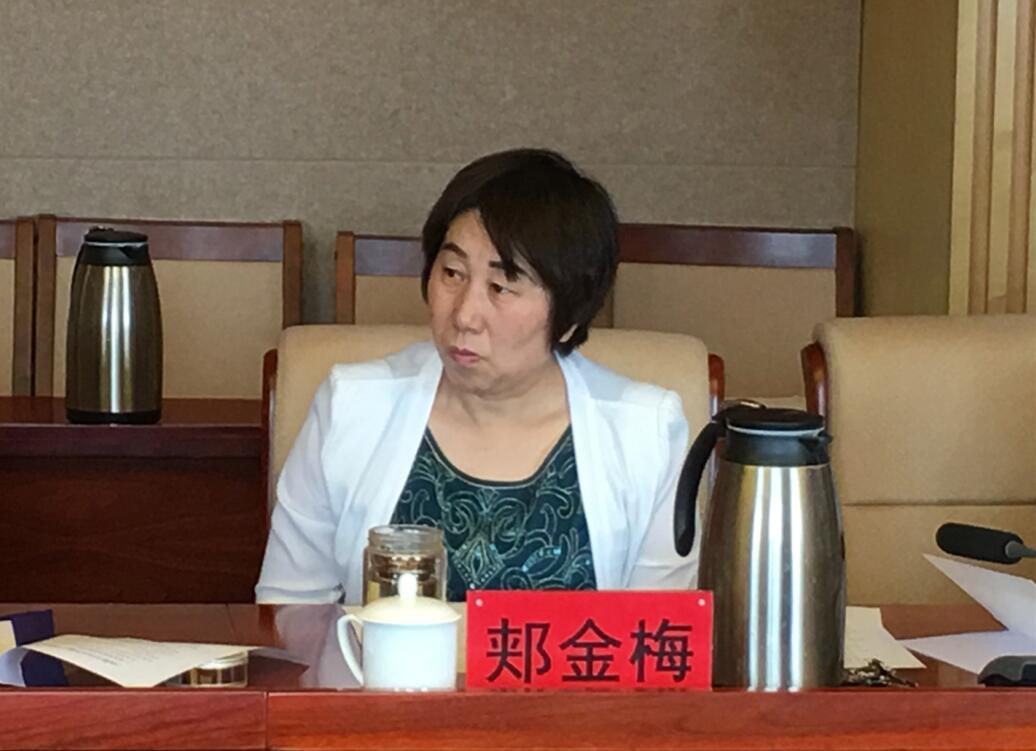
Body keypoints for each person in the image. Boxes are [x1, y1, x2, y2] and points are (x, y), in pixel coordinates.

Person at [255, 148, 694, 604]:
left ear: (570, 315)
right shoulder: (352, 405)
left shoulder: (645, 433)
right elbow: (289, 611)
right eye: (452, 273)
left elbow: (660, 631)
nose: (465, 315)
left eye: (501, 287)